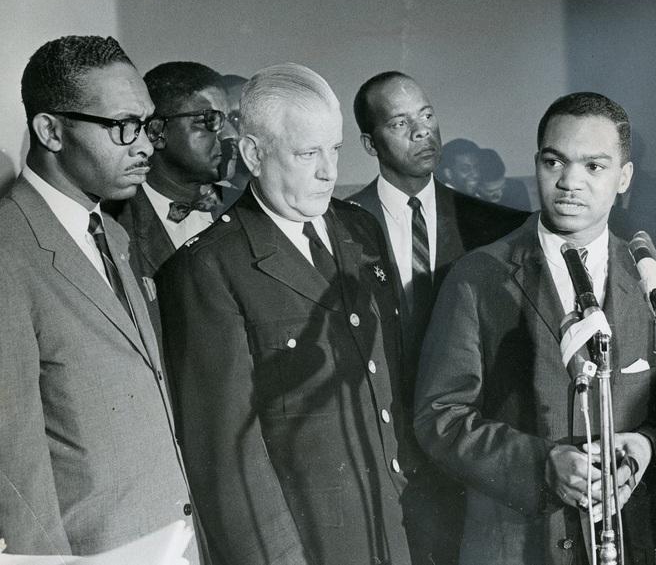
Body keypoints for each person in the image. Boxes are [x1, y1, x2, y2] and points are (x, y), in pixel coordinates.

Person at [156, 63, 413, 565]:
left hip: (394, 527)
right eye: (307, 153)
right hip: (309, 544)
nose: (329, 172)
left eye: (334, 149)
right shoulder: (209, 268)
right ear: (253, 153)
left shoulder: (360, 229)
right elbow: (229, 460)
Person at [415, 92, 656, 564]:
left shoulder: (651, 278)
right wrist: (540, 465)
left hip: (625, 546)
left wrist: (645, 446)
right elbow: (439, 415)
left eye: (594, 166)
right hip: (514, 546)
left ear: (624, 178)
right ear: (537, 164)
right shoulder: (478, 274)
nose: (570, 181)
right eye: (555, 161)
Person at [0, 35, 198, 561]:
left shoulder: (111, 234)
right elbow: (12, 462)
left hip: (172, 539)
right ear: (51, 131)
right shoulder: (7, 251)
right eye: (122, 127)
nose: (146, 146)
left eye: (148, 124)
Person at [348, 71, 528, 564]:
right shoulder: (339, 227)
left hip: (472, 448)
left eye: (427, 115)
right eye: (401, 123)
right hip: (389, 450)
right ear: (370, 142)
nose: (422, 131)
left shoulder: (492, 225)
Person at [109, 61, 237, 285]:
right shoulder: (113, 222)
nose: (230, 135)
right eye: (209, 120)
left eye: (230, 121)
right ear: (157, 132)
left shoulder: (246, 209)